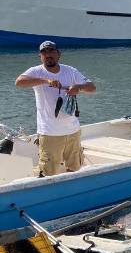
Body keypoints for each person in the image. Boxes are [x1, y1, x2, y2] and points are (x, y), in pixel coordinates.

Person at [15, 41, 96, 177]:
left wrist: (79, 88)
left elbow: (92, 88)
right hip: (49, 133)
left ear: (58, 54)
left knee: (75, 170)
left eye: (51, 51)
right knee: (48, 174)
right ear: (40, 56)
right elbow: (19, 82)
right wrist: (45, 81)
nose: (48, 55)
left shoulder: (70, 71)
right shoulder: (35, 71)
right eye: (44, 52)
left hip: (73, 132)